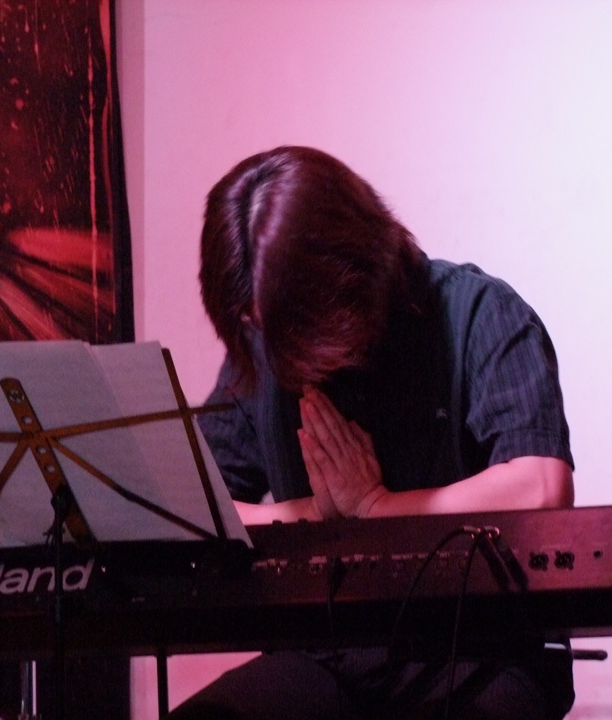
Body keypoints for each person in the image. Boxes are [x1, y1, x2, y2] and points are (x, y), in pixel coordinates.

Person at [171, 147, 575, 719]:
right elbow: (190, 508)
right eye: (254, 325)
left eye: (288, 326)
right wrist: (315, 515)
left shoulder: (480, 312)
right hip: (325, 653)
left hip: (480, 650)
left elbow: (540, 488)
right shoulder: (263, 344)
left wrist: (377, 507)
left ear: (348, 274)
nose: (271, 343)